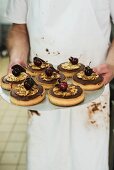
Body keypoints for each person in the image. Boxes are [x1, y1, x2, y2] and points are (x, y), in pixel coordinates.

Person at [5, 0, 114, 170]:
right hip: (41, 99)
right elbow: (18, 28)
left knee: (89, 161)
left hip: (93, 95)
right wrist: (17, 59)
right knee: (44, 160)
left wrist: (112, 63)